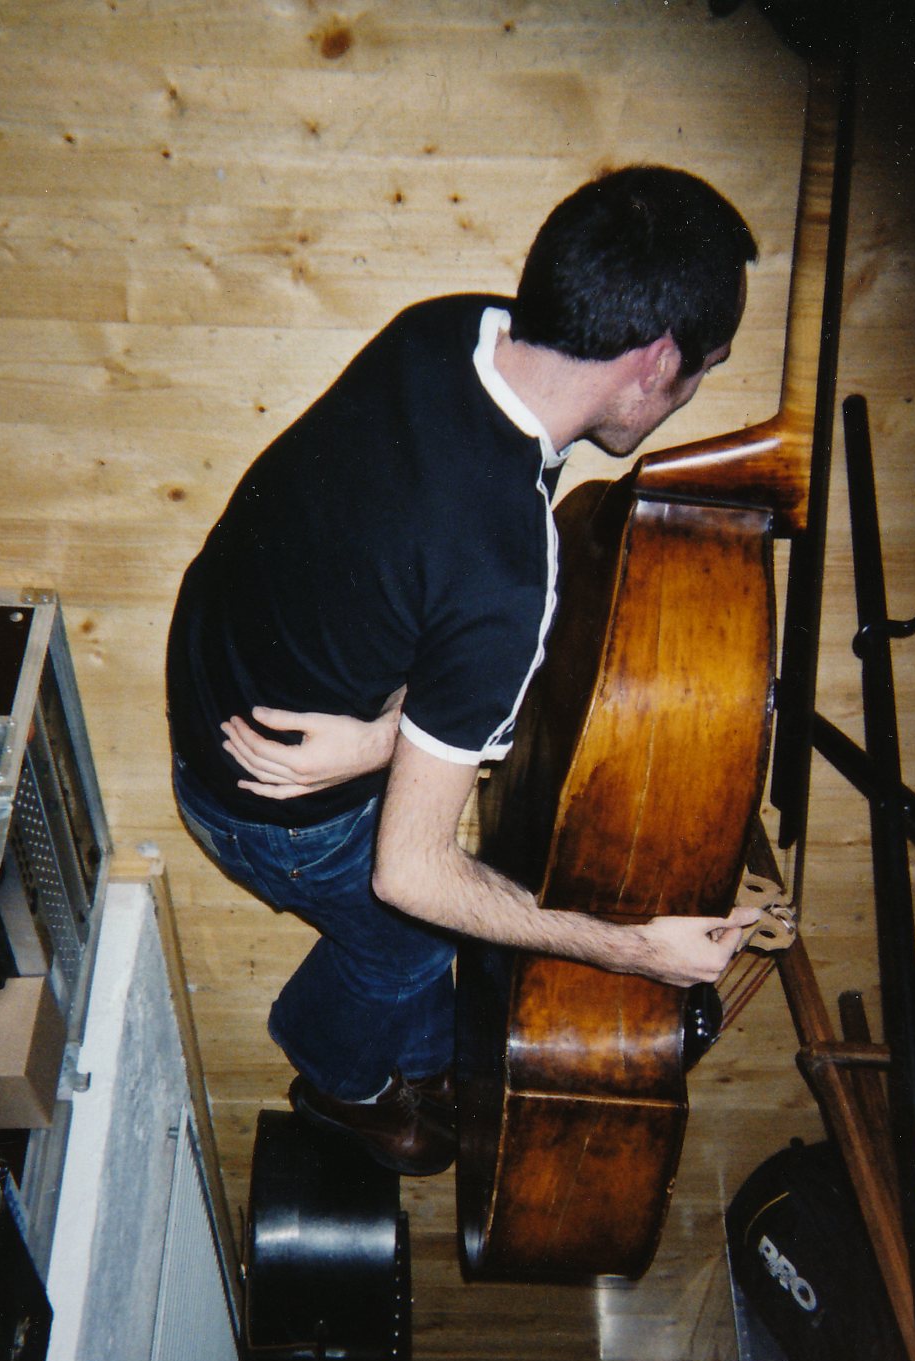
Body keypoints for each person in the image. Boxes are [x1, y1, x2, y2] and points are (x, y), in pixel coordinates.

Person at [166, 166, 760, 1176]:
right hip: (272, 804)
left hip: (218, 668)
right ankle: (338, 1082)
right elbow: (410, 873)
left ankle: (418, 1055)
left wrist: (381, 738)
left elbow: (397, 558)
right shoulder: (506, 573)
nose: (693, 390)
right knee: (415, 940)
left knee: (436, 912)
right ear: (656, 360)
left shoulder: (451, 328)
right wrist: (637, 950)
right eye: (703, 369)